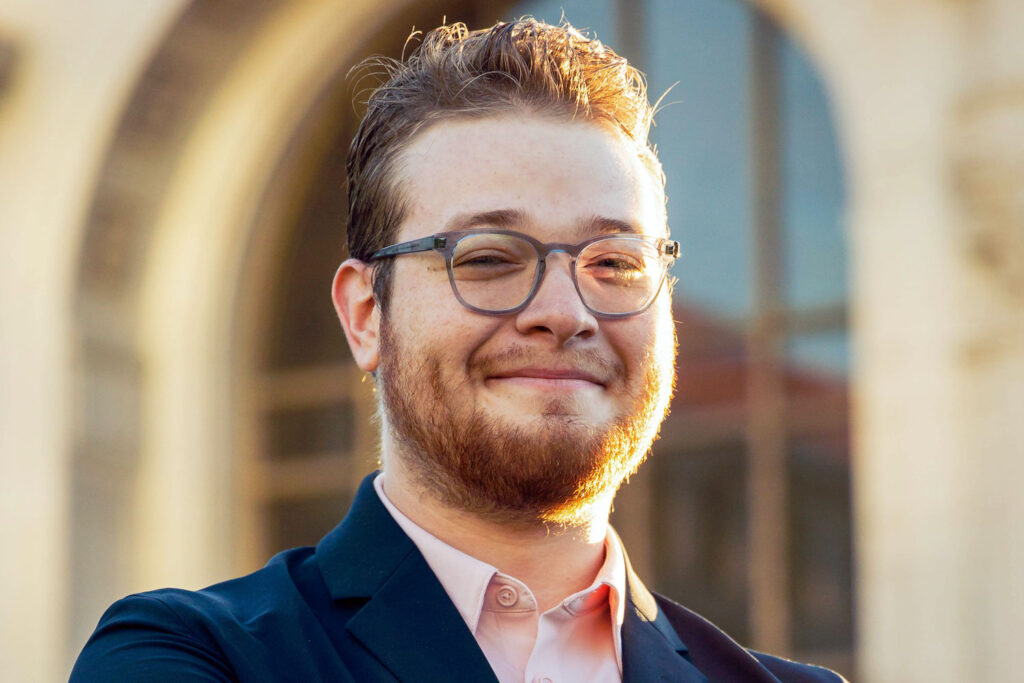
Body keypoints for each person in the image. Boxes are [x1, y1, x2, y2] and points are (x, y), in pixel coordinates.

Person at [72, 18, 845, 682]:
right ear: (366, 313)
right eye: (487, 257)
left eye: (614, 263)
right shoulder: (191, 656)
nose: (564, 312)